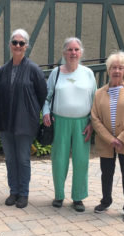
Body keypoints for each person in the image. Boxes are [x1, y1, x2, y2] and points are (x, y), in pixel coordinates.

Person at [43, 37, 97, 212]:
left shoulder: (88, 73)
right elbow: (46, 97)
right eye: (70, 49)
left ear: (81, 53)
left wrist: (92, 122)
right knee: (59, 160)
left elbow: (95, 100)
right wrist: (45, 112)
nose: (73, 53)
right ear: (64, 53)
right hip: (60, 122)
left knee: (81, 161)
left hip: (83, 122)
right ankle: (59, 195)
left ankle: (78, 197)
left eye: (76, 49)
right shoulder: (55, 73)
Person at [0, 29, 47, 208]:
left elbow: (43, 94)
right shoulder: (3, 70)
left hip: (25, 122)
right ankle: (14, 191)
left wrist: (32, 112)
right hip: (6, 122)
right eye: (14, 42)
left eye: (21, 43)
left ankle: (24, 193)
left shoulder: (33, 69)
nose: (18, 46)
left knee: (23, 159)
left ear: (26, 46)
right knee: (10, 159)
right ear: (10, 45)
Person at [91, 51, 124, 223]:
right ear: (108, 70)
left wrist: (122, 138)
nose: (117, 71)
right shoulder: (99, 93)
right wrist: (110, 139)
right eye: (113, 68)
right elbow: (94, 118)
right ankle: (106, 200)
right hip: (106, 142)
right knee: (106, 173)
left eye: (120, 68)